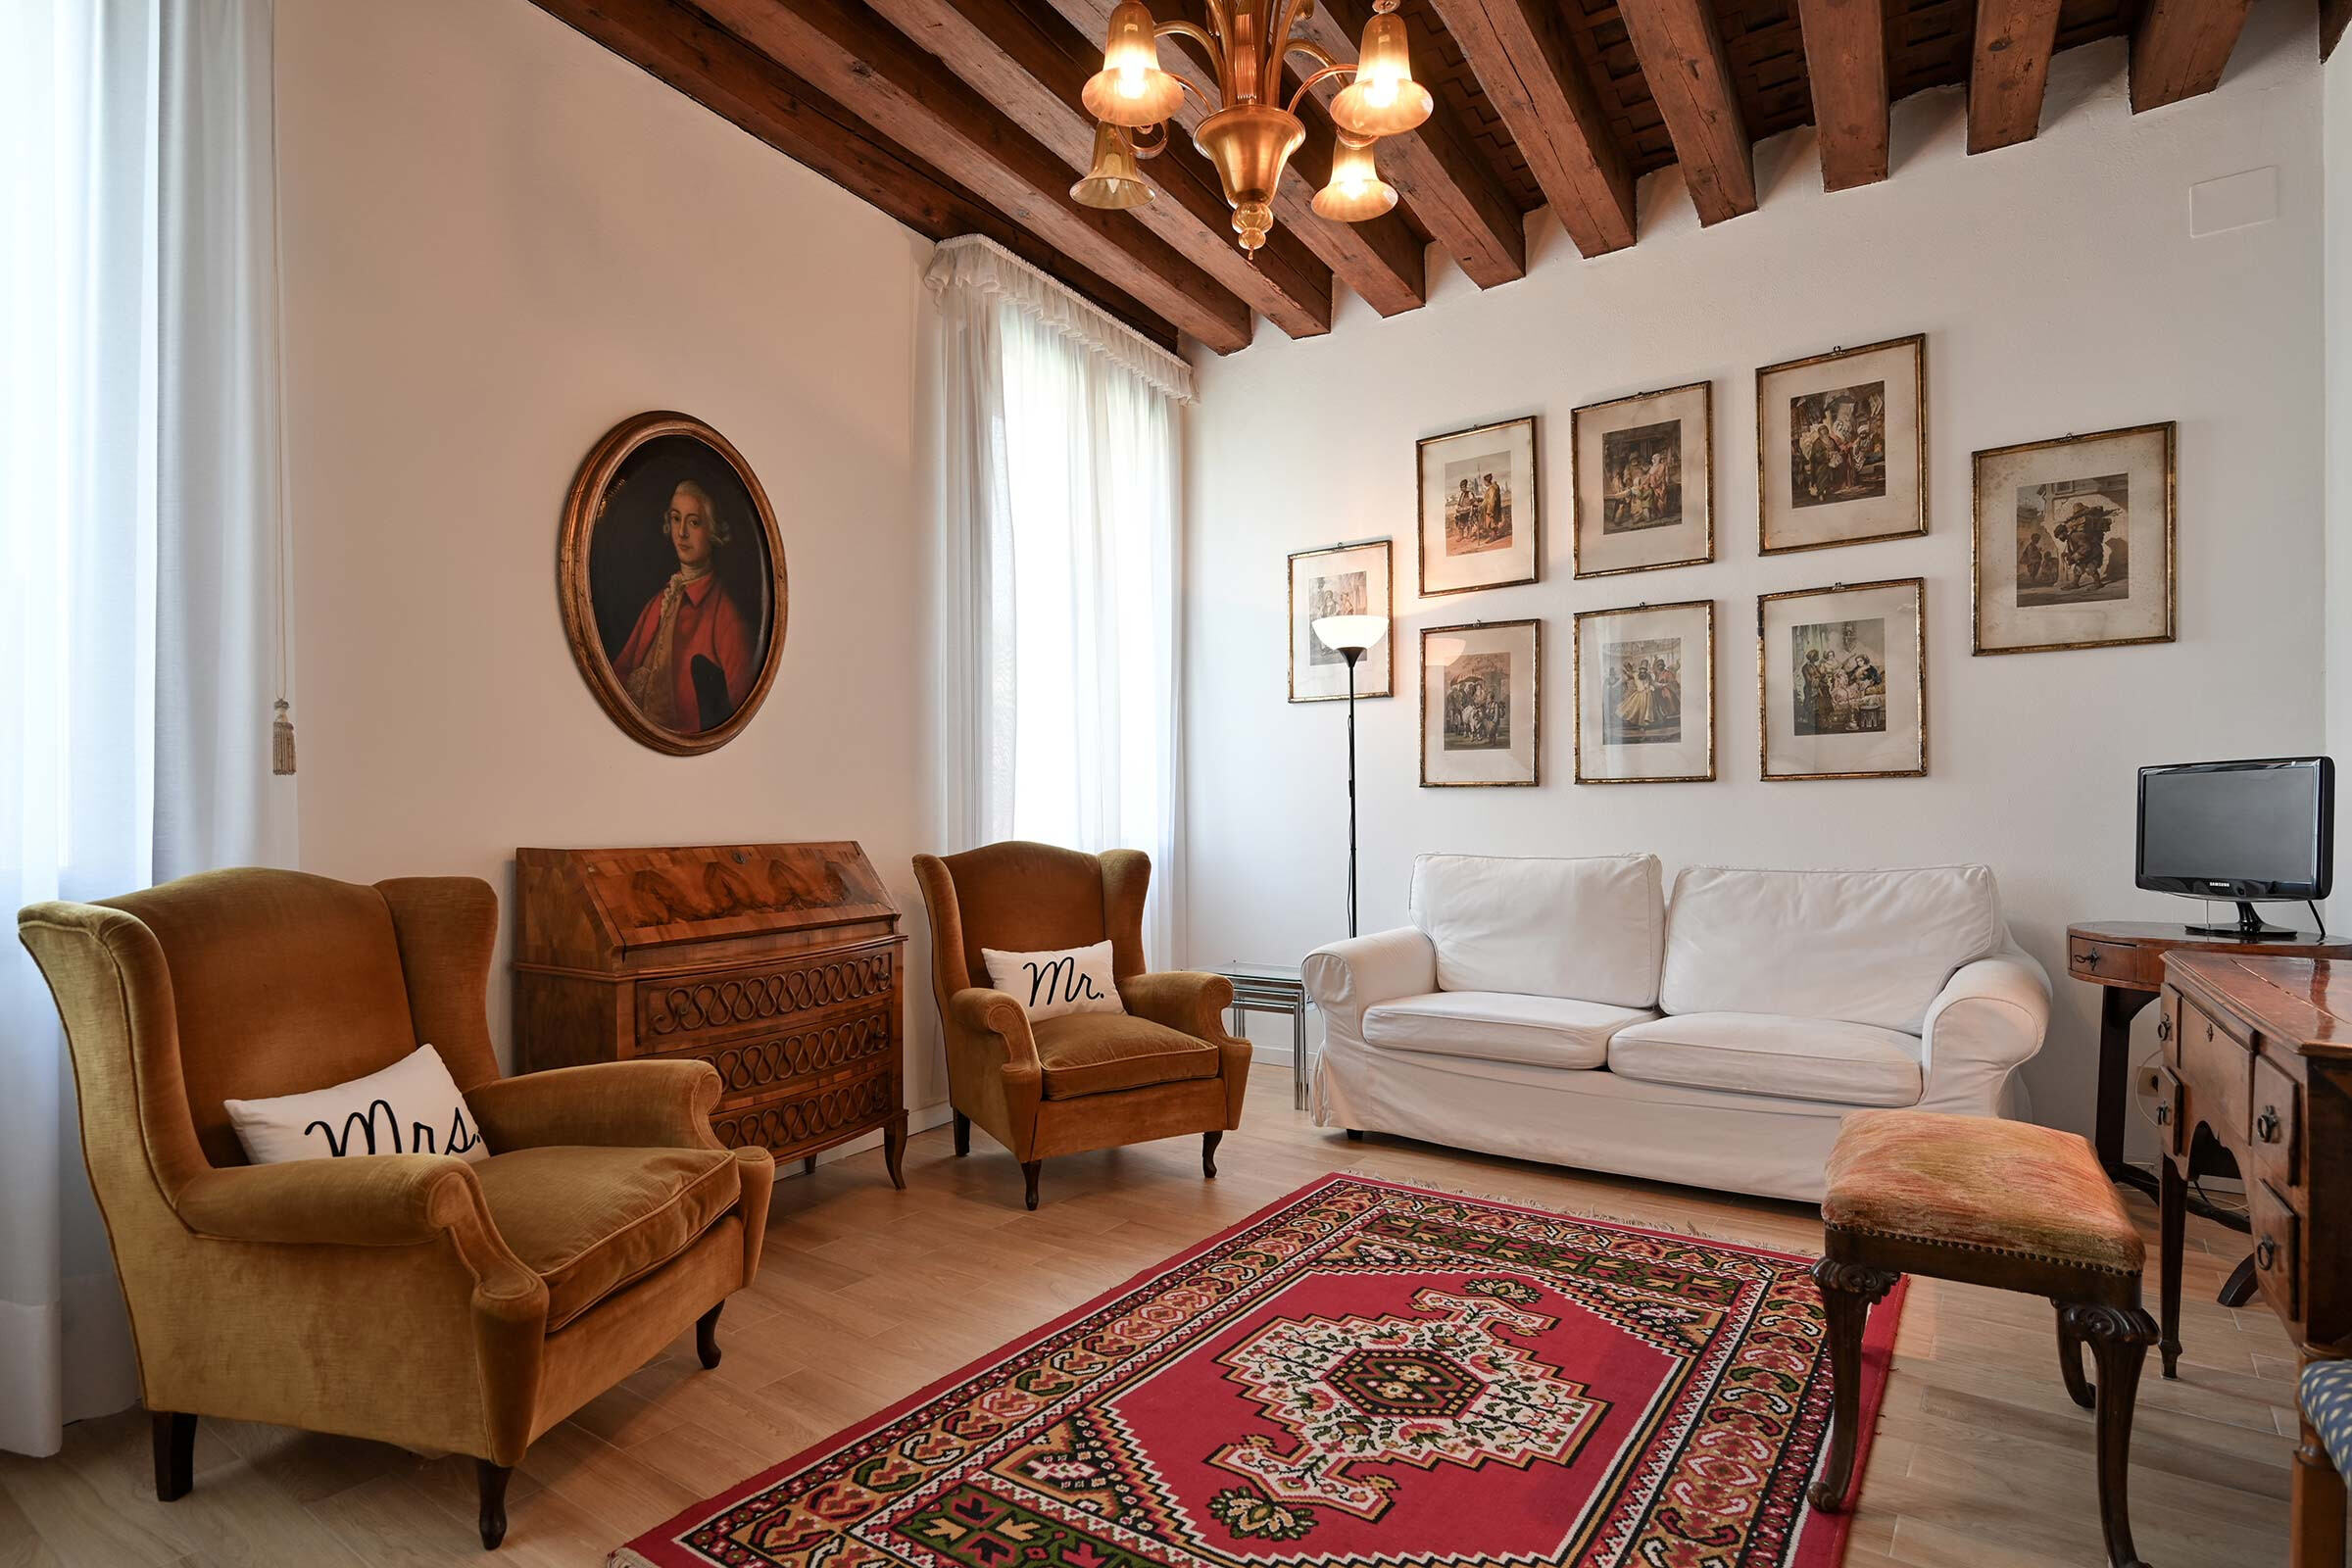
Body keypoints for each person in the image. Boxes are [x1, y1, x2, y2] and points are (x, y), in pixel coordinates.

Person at [611, 479, 757, 733]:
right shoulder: (659, 602)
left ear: (713, 531)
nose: (682, 533)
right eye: (676, 519)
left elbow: (743, 711)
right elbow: (618, 677)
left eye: (694, 522)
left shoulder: (724, 615)